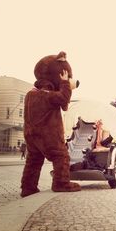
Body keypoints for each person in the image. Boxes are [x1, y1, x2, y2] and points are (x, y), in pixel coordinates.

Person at [20, 52, 81, 198]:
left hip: (30, 135)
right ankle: (61, 183)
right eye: (66, 75)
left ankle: (28, 188)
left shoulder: (31, 94)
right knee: (61, 156)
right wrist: (66, 83)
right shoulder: (48, 95)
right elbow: (63, 99)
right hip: (48, 134)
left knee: (33, 160)